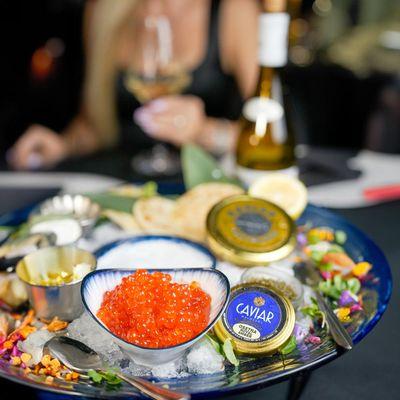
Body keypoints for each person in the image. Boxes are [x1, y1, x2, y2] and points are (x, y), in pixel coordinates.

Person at [8, 0, 259, 170]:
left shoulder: (234, 10)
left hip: (200, 183)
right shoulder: (103, 10)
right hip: (120, 183)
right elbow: (94, 125)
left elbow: (272, 137)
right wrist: (63, 146)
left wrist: (202, 130)